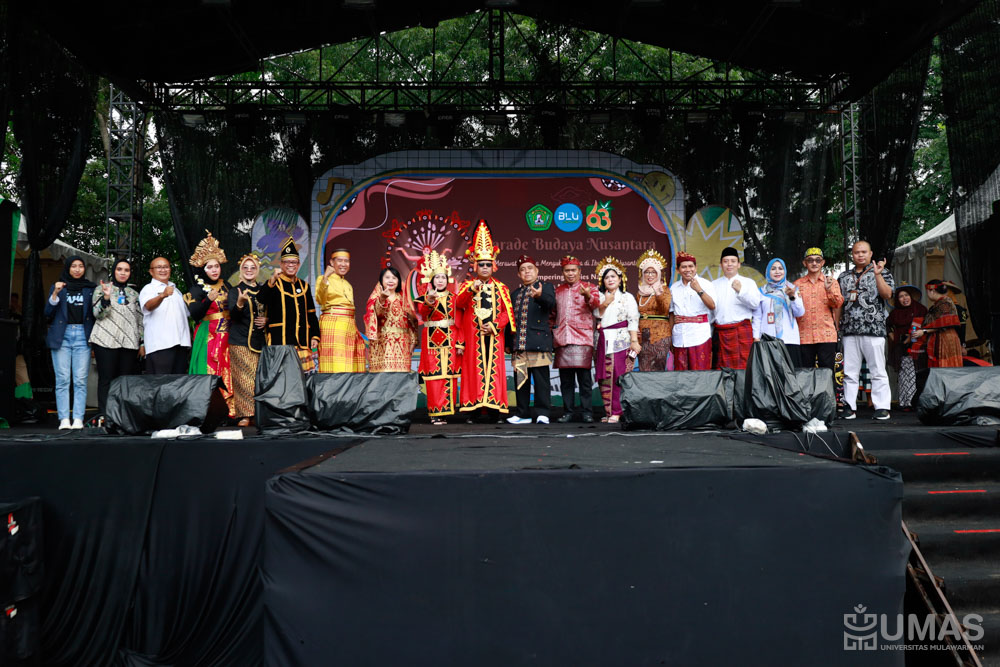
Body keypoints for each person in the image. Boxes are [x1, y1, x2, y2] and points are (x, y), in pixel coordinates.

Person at [456, 219, 513, 420]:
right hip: (473, 337)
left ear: (493, 266)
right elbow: (458, 304)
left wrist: (495, 326)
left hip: (494, 336)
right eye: (482, 264)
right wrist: (472, 290)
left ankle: (494, 409)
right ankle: (472, 409)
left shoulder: (502, 288)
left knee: (494, 371)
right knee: (473, 371)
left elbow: (507, 313)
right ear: (475, 266)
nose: (485, 267)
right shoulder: (467, 285)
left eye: (489, 264)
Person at [837, 240, 894, 420]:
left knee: (877, 370)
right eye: (856, 252)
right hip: (849, 330)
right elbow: (838, 303)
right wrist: (837, 325)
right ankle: (849, 406)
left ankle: (882, 407)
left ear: (870, 254)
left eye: (864, 252)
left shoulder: (883, 271)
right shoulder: (844, 276)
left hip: (873, 329)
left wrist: (878, 275)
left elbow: (887, 295)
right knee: (849, 372)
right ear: (852, 255)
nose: (860, 255)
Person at [185, 232, 234, 417]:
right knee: (209, 370)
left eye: (217, 266)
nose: (214, 270)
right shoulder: (197, 289)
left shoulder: (227, 285)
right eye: (210, 267)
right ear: (203, 269)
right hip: (208, 336)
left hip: (227, 337)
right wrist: (208, 300)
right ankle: (208, 411)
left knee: (228, 371)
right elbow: (195, 313)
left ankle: (229, 411)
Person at [45, 256, 96, 429]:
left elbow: (96, 314)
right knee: (62, 379)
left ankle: (79, 419)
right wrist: (55, 293)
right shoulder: (59, 287)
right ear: (68, 268)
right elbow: (47, 312)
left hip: (82, 334)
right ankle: (64, 419)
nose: (77, 269)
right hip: (62, 335)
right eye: (74, 266)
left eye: (81, 266)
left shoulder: (90, 288)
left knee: (80, 380)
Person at [90, 258, 144, 417]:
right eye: (119, 269)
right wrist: (106, 298)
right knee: (106, 379)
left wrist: (142, 342)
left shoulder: (134, 294)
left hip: (129, 342)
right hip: (105, 340)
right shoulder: (101, 289)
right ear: (114, 271)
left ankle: (121, 416)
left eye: (126, 270)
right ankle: (105, 416)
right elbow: (97, 314)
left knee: (124, 381)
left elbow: (140, 320)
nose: (123, 273)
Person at [506, 255, 556, 425]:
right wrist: (508, 343)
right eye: (523, 269)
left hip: (538, 343)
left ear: (537, 271)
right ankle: (523, 413)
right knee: (521, 381)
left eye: (530, 268)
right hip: (519, 346)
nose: (526, 272)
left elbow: (550, 304)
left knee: (541, 381)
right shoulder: (515, 294)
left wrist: (540, 296)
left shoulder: (546, 287)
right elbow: (510, 320)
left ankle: (543, 413)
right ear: (519, 274)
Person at [258, 237, 320, 373]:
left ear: (298, 264)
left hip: (301, 342)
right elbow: (261, 298)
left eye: (294, 262)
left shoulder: (304, 286)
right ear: (281, 264)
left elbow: (311, 314)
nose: (291, 265)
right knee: (282, 378)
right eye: (287, 262)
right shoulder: (274, 283)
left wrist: (315, 335)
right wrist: (272, 280)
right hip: (280, 342)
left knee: (303, 379)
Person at [552, 255, 601, 423]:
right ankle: (568, 412)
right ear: (563, 272)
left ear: (580, 271)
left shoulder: (590, 287)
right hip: (563, 338)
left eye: (573, 270)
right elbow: (552, 314)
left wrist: (587, 296)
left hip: (582, 339)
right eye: (567, 270)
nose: (570, 273)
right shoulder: (558, 291)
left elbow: (596, 305)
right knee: (566, 380)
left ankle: (587, 412)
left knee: (584, 380)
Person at [416, 251, 462, 425]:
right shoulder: (424, 299)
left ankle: (446, 411)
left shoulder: (455, 299)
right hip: (432, 342)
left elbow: (460, 322)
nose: (440, 280)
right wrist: (429, 300)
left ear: (447, 279)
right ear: (432, 280)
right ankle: (435, 413)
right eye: (437, 278)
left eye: (443, 277)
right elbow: (423, 313)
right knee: (434, 378)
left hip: (451, 340)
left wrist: (460, 344)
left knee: (448, 376)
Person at [593, 256, 640, 423]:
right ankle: (609, 411)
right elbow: (596, 314)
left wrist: (634, 341)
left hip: (621, 340)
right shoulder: (599, 297)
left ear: (620, 279)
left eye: (613, 276)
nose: (610, 279)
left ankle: (618, 411)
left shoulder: (628, 297)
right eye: (606, 277)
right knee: (604, 376)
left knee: (618, 375)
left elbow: (633, 320)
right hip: (602, 340)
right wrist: (606, 302)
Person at [228, 253, 268, 426]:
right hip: (240, 340)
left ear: (257, 270)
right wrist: (239, 303)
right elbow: (233, 316)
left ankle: (259, 414)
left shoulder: (263, 291)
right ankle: (245, 415)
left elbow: (272, 310)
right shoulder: (235, 291)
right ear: (241, 270)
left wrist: (267, 320)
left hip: (261, 341)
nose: (249, 270)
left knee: (260, 379)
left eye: (253, 267)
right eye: (246, 267)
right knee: (244, 379)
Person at [315, 248, 366, 373]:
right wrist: (325, 277)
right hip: (333, 324)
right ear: (332, 262)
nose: (343, 264)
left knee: (350, 365)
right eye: (340, 261)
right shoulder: (323, 279)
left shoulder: (347, 284)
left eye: (346, 261)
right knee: (336, 366)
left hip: (349, 326)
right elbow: (320, 299)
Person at [794, 247, 844, 372]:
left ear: (823, 263)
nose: (814, 263)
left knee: (827, 373)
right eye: (810, 260)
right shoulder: (797, 284)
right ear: (804, 263)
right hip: (804, 335)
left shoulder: (831, 282)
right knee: (805, 374)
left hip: (826, 335)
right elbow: (793, 309)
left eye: (818, 260)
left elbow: (838, 304)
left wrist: (828, 290)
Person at [140, 257, 192, 374]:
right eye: (159, 267)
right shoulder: (148, 289)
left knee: (178, 381)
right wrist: (162, 295)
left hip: (181, 344)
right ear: (151, 271)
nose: (163, 270)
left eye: (166, 267)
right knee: (161, 382)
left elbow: (187, 314)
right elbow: (148, 306)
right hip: (160, 345)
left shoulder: (176, 291)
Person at [711, 247, 760, 369]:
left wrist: (740, 291)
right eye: (726, 261)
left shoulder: (748, 283)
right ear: (721, 265)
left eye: (733, 261)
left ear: (738, 264)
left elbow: (755, 304)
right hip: (720, 332)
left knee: (744, 370)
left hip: (741, 331)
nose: (729, 264)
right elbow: (710, 312)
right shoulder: (713, 285)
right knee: (720, 371)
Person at [752, 258, 806, 366]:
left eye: (780, 268)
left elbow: (800, 313)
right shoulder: (761, 291)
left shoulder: (792, 289)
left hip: (789, 339)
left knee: (791, 373)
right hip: (768, 340)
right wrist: (756, 337)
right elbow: (757, 317)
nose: (777, 271)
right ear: (768, 271)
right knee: (770, 373)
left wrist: (792, 297)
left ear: (784, 271)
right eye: (773, 269)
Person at [364, 266, 417, 372]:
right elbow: (376, 314)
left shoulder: (403, 298)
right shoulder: (376, 297)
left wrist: (413, 341)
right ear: (381, 280)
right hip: (383, 344)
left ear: (398, 280)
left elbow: (411, 322)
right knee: (384, 376)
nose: (391, 281)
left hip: (402, 344)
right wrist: (382, 299)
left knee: (401, 377)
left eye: (394, 278)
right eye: (387, 277)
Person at [669, 251, 716, 371]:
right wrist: (670, 337)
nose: (688, 270)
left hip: (699, 336)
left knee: (700, 373)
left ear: (696, 268)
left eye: (691, 266)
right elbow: (672, 314)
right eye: (684, 267)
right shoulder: (674, 288)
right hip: (679, 337)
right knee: (681, 374)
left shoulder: (706, 284)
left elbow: (712, 305)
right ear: (678, 270)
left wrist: (699, 290)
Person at [886, 285, 926, 411]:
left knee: (918, 374)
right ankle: (905, 402)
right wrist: (892, 336)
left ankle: (917, 402)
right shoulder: (895, 313)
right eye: (901, 297)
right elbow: (887, 325)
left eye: (906, 295)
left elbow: (927, 325)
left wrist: (913, 335)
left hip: (918, 347)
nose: (904, 298)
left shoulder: (920, 309)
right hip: (901, 346)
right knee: (904, 374)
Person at [634, 249, 672, 371]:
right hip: (643, 335)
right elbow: (636, 313)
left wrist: (658, 294)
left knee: (658, 368)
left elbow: (665, 308)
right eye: (647, 272)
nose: (650, 275)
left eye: (653, 272)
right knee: (644, 368)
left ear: (659, 274)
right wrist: (635, 329)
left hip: (660, 334)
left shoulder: (664, 289)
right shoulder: (640, 292)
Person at [911, 280, 963, 368]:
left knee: (945, 366)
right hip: (944, 337)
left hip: (945, 338)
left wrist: (924, 331)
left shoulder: (945, 303)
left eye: (927, 292)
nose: (927, 294)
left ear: (932, 291)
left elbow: (944, 324)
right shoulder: (939, 303)